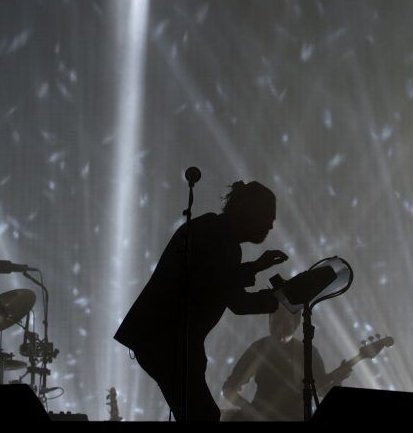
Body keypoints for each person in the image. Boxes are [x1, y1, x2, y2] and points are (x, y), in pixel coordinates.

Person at [114, 180, 288, 421]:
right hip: (165, 340)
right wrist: (278, 296)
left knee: (199, 414)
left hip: (163, 340)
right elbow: (229, 293)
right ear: (249, 211)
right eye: (268, 216)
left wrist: (263, 278)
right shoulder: (215, 234)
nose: (270, 224)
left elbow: (226, 289)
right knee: (202, 415)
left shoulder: (213, 231)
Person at [221, 308, 352, 421]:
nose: (279, 329)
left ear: (295, 324)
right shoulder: (259, 348)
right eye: (275, 323)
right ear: (269, 321)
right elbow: (228, 389)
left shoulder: (308, 352)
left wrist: (338, 379)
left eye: (286, 324)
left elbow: (321, 390)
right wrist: (252, 413)